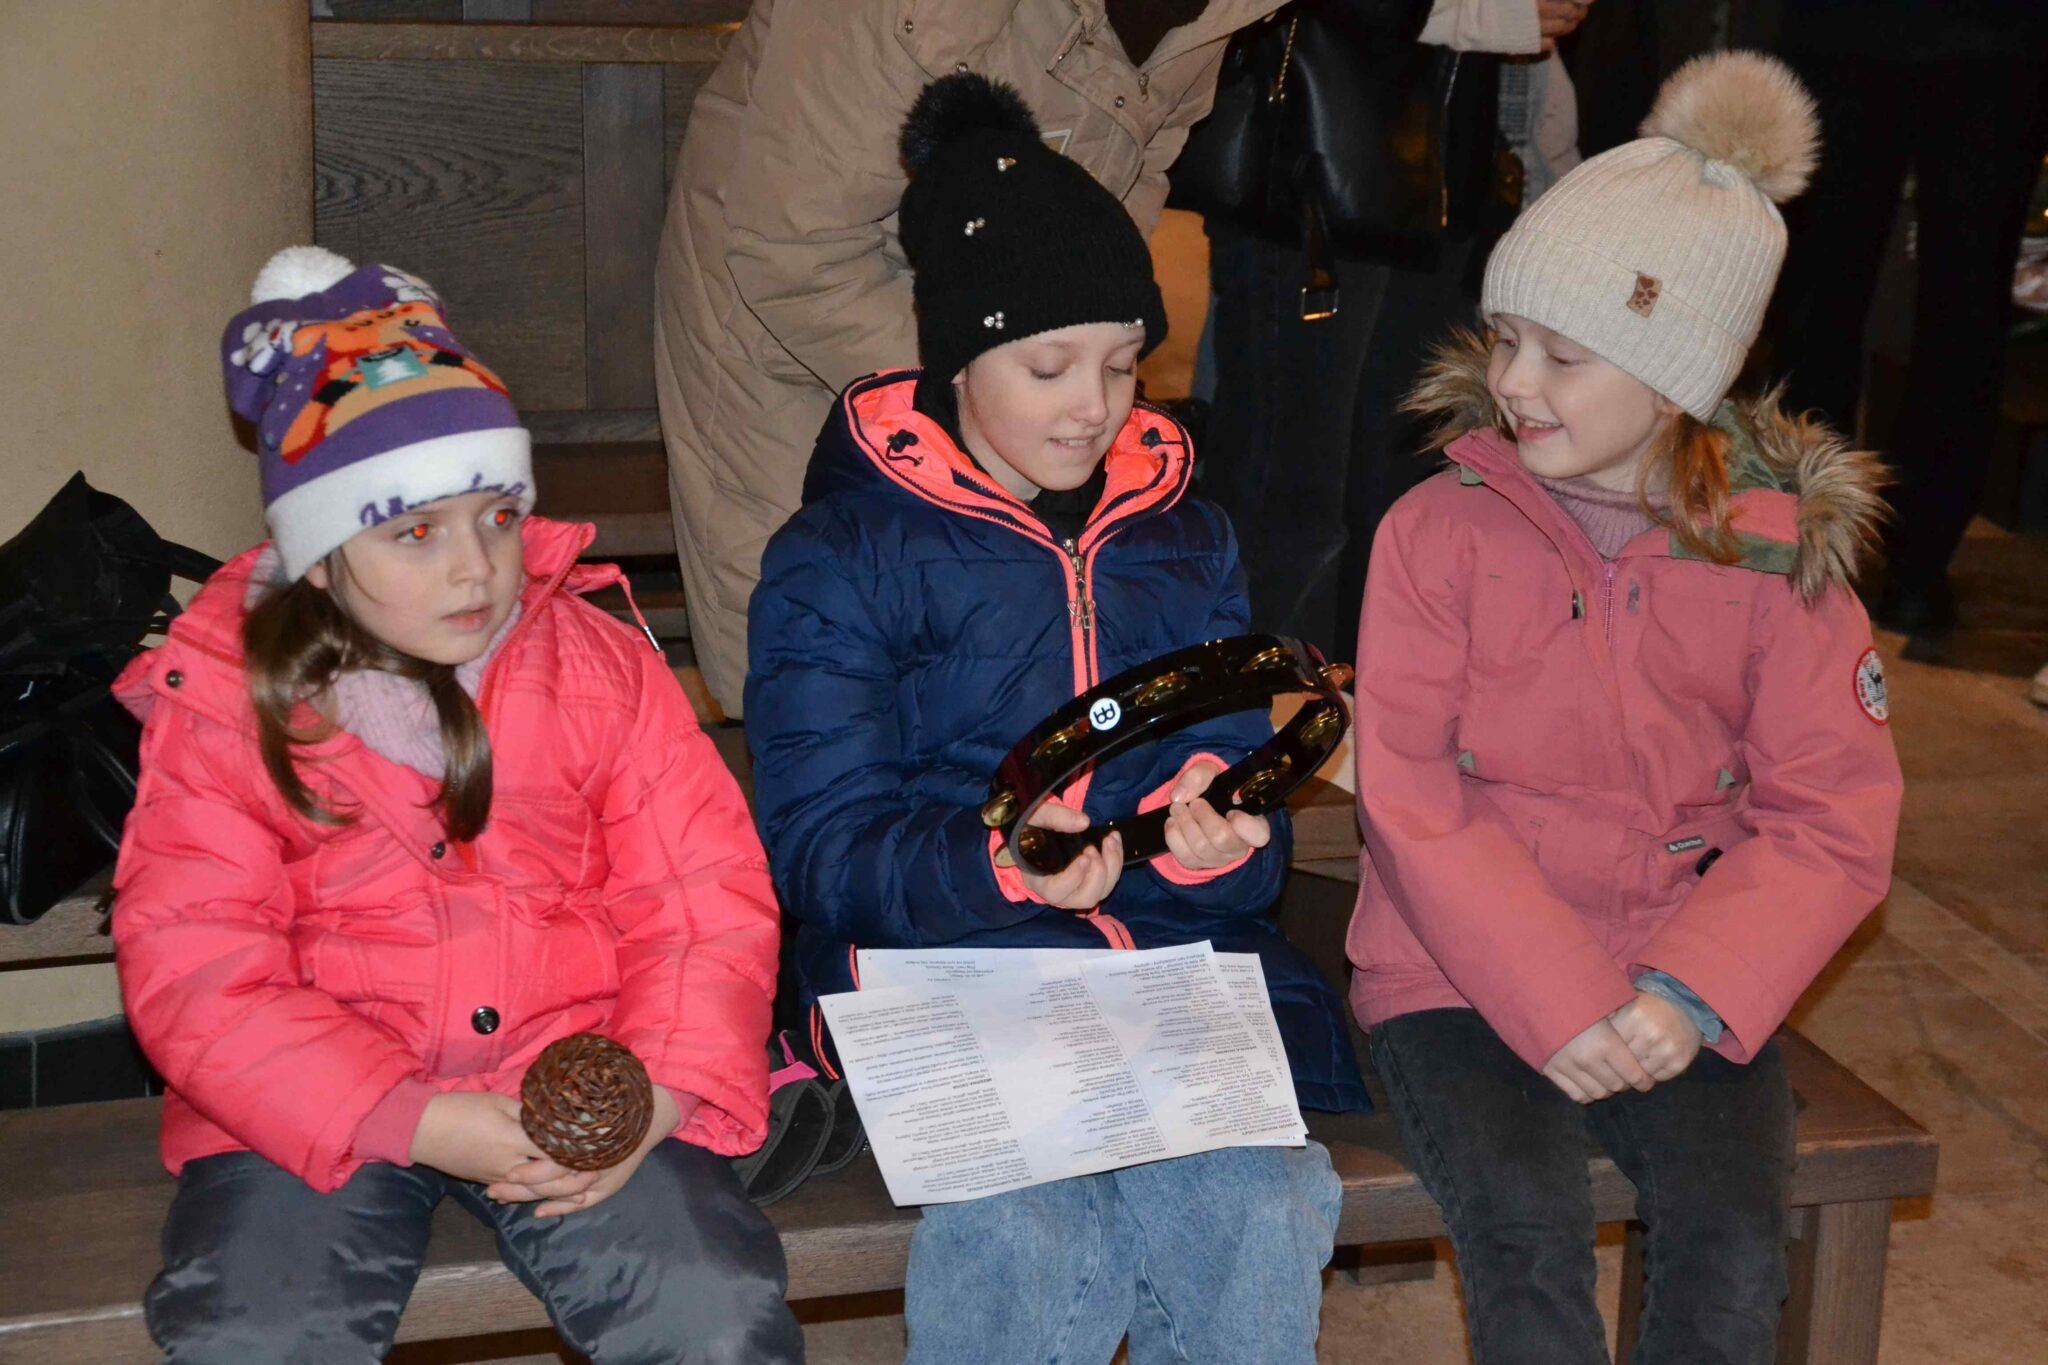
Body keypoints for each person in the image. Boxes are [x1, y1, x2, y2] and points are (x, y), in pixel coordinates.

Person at [745, 75, 1367, 1364]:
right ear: (955, 358)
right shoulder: (839, 555)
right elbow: (821, 850)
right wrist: (1001, 862)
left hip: (1157, 974)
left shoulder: (1184, 536)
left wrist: (1213, 831)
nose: (1095, 403)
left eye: (1122, 363)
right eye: (1047, 366)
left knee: (1257, 1207)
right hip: (941, 970)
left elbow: (1223, 775)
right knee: (1028, 1237)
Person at [112, 248, 801, 1364]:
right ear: (320, 556)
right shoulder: (229, 705)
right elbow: (197, 962)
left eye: (496, 516)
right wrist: (415, 1117)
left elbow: (701, 900)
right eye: (416, 532)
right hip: (310, 1103)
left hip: (574, 1074)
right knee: (261, 1330)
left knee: (710, 1309)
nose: (476, 568)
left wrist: (662, 1094)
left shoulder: (600, 669)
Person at [1347, 54, 1903, 1362]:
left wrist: (1689, 994)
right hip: (1454, 973)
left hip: (1678, 961)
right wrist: (1558, 998)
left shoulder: (1773, 560)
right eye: (1505, 337)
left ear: (1675, 375)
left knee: (1731, 1249)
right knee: (1524, 1232)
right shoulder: (1434, 532)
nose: (1514, 381)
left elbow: (1830, 816)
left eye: (1562, 353)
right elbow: (1412, 796)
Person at [654, 0, 1295, 717]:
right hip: (804, 309)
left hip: (1018, 343)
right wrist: (1001, 389)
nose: (1099, 408)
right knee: (823, 669)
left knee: (1005, 665)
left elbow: (1140, 165)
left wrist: (1068, 346)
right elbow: (793, 248)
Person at [1192, 0, 1597, 662]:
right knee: (1293, 499)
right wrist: (1478, 11)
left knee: (1396, 495)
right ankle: (1258, 710)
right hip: (1320, 165)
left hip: (1439, 169)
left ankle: (1364, 703)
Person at [1765, 0, 2048, 634]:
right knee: (1935, 304)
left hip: (1971, 39)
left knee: (1843, 297)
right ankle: (1871, 555)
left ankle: (1877, 555)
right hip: (1960, 41)